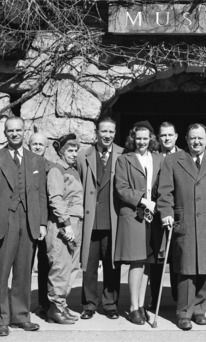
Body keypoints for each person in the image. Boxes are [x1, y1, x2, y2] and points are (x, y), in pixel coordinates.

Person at [157, 123, 206, 331]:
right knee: (186, 269)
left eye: (200, 138)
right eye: (192, 138)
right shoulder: (173, 161)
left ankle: (199, 310)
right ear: (186, 139)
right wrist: (166, 214)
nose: (196, 142)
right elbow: (165, 192)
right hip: (185, 222)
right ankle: (184, 313)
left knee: (205, 269)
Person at [0, 117, 47, 336]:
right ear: (5, 133)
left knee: (24, 272)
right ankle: (2, 320)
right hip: (3, 222)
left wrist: (42, 223)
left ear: (24, 131)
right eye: (11, 130)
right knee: (2, 272)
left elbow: (41, 195)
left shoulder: (36, 159)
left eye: (19, 130)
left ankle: (21, 316)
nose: (15, 133)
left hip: (28, 222)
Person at [114, 120, 163, 325]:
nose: (142, 142)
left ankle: (141, 304)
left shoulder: (159, 159)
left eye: (146, 138)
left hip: (155, 216)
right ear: (133, 139)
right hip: (135, 215)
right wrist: (143, 200)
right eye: (138, 138)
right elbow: (121, 188)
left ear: (151, 139)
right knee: (136, 261)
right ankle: (133, 307)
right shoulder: (124, 159)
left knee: (148, 262)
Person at [77, 117, 123, 320]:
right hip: (91, 219)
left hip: (113, 219)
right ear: (96, 132)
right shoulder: (83, 155)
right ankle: (89, 304)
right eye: (104, 131)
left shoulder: (123, 155)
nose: (107, 136)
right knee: (89, 264)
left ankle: (111, 304)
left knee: (112, 264)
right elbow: (78, 186)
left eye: (111, 132)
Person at [46, 133, 83, 324]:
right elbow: (55, 198)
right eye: (70, 150)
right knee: (60, 266)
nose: (74, 153)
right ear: (61, 151)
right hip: (62, 225)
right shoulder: (56, 170)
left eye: (76, 150)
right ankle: (55, 308)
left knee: (71, 267)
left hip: (76, 223)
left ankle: (62, 304)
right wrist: (67, 224)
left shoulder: (73, 170)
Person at [149, 121, 180, 309]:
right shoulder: (153, 158)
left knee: (178, 258)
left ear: (176, 136)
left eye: (170, 135)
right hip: (157, 214)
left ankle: (178, 297)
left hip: (178, 215)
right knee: (157, 260)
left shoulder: (184, 156)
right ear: (159, 138)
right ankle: (154, 297)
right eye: (163, 135)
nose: (167, 138)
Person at [28, 131, 53, 318]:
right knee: (24, 265)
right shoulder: (22, 165)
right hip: (26, 222)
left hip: (46, 224)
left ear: (46, 147)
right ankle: (21, 305)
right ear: (29, 145)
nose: (37, 147)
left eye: (41, 144)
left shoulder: (51, 168)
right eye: (34, 144)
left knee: (45, 264)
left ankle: (44, 303)